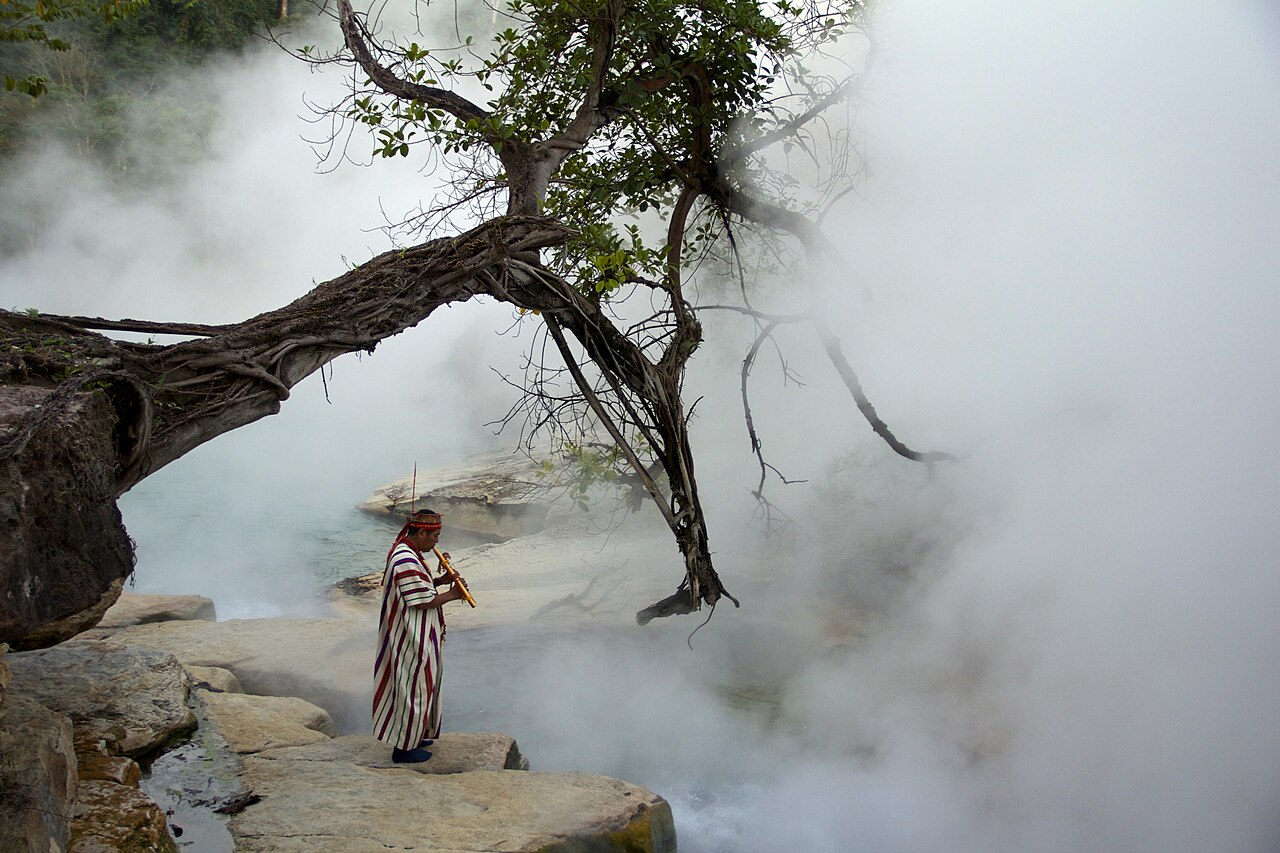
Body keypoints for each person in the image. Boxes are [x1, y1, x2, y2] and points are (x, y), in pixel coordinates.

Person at [372, 508, 468, 763]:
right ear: (422, 532)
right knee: (413, 688)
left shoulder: (409, 552)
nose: (437, 541)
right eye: (435, 535)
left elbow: (420, 586)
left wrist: (441, 580)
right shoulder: (404, 558)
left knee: (424, 685)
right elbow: (420, 601)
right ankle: (403, 748)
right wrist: (455, 594)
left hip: (419, 633)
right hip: (410, 636)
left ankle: (416, 734)